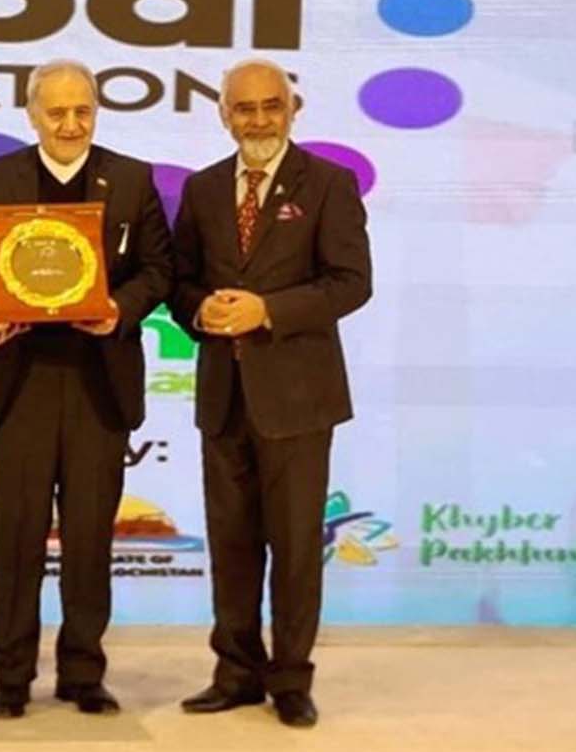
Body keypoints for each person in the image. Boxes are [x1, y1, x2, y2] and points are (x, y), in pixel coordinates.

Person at [0, 59, 173, 718]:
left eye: (83, 111)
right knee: (16, 535)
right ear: (32, 115)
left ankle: (83, 670)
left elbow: (160, 269)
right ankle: (10, 673)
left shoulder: (131, 179)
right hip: (18, 384)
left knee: (90, 537)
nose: (71, 124)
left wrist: (120, 310)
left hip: (100, 384)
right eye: (57, 112)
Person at [168, 58, 371, 729]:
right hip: (223, 397)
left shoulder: (330, 184)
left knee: (294, 546)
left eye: (270, 106)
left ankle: (291, 679)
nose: (258, 120)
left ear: (292, 110)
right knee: (230, 544)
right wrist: (200, 311)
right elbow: (180, 282)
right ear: (224, 114)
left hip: (299, 399)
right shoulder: (201, 189)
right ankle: (235, 673)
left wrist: (269, 311)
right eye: (244, 108)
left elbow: (351, 282)